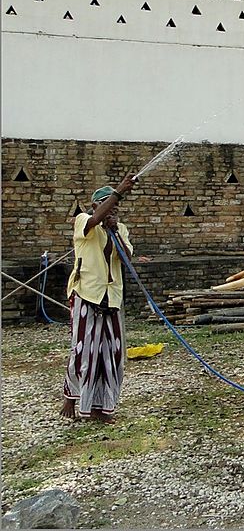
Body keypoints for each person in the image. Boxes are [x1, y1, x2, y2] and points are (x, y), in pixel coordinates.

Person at [60, 174, 136, 423]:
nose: (113, 211)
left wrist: (115, 231)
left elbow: (126, 260)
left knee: (111, 354)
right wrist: (119, 191)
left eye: (116, 208)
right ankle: (72, 397)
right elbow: (94, 220)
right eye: (109, 206)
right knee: (84, 352)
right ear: (97, 206)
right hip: (86, 294)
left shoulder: (120, 229)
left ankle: (103, 407)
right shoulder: (84, 220)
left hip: (111, 299)